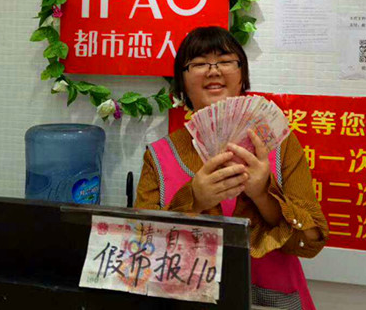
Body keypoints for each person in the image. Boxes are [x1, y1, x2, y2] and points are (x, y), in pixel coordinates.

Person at [135, 26, 328, 310]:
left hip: (270, 299)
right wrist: (194, 201)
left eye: (225, 61)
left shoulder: (279, 142)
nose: (213, 71)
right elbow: (141, 248)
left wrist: (263, 194)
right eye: (199, 63)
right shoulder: (159, 156)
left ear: (242, 76)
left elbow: (312, 241)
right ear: (182, 84)